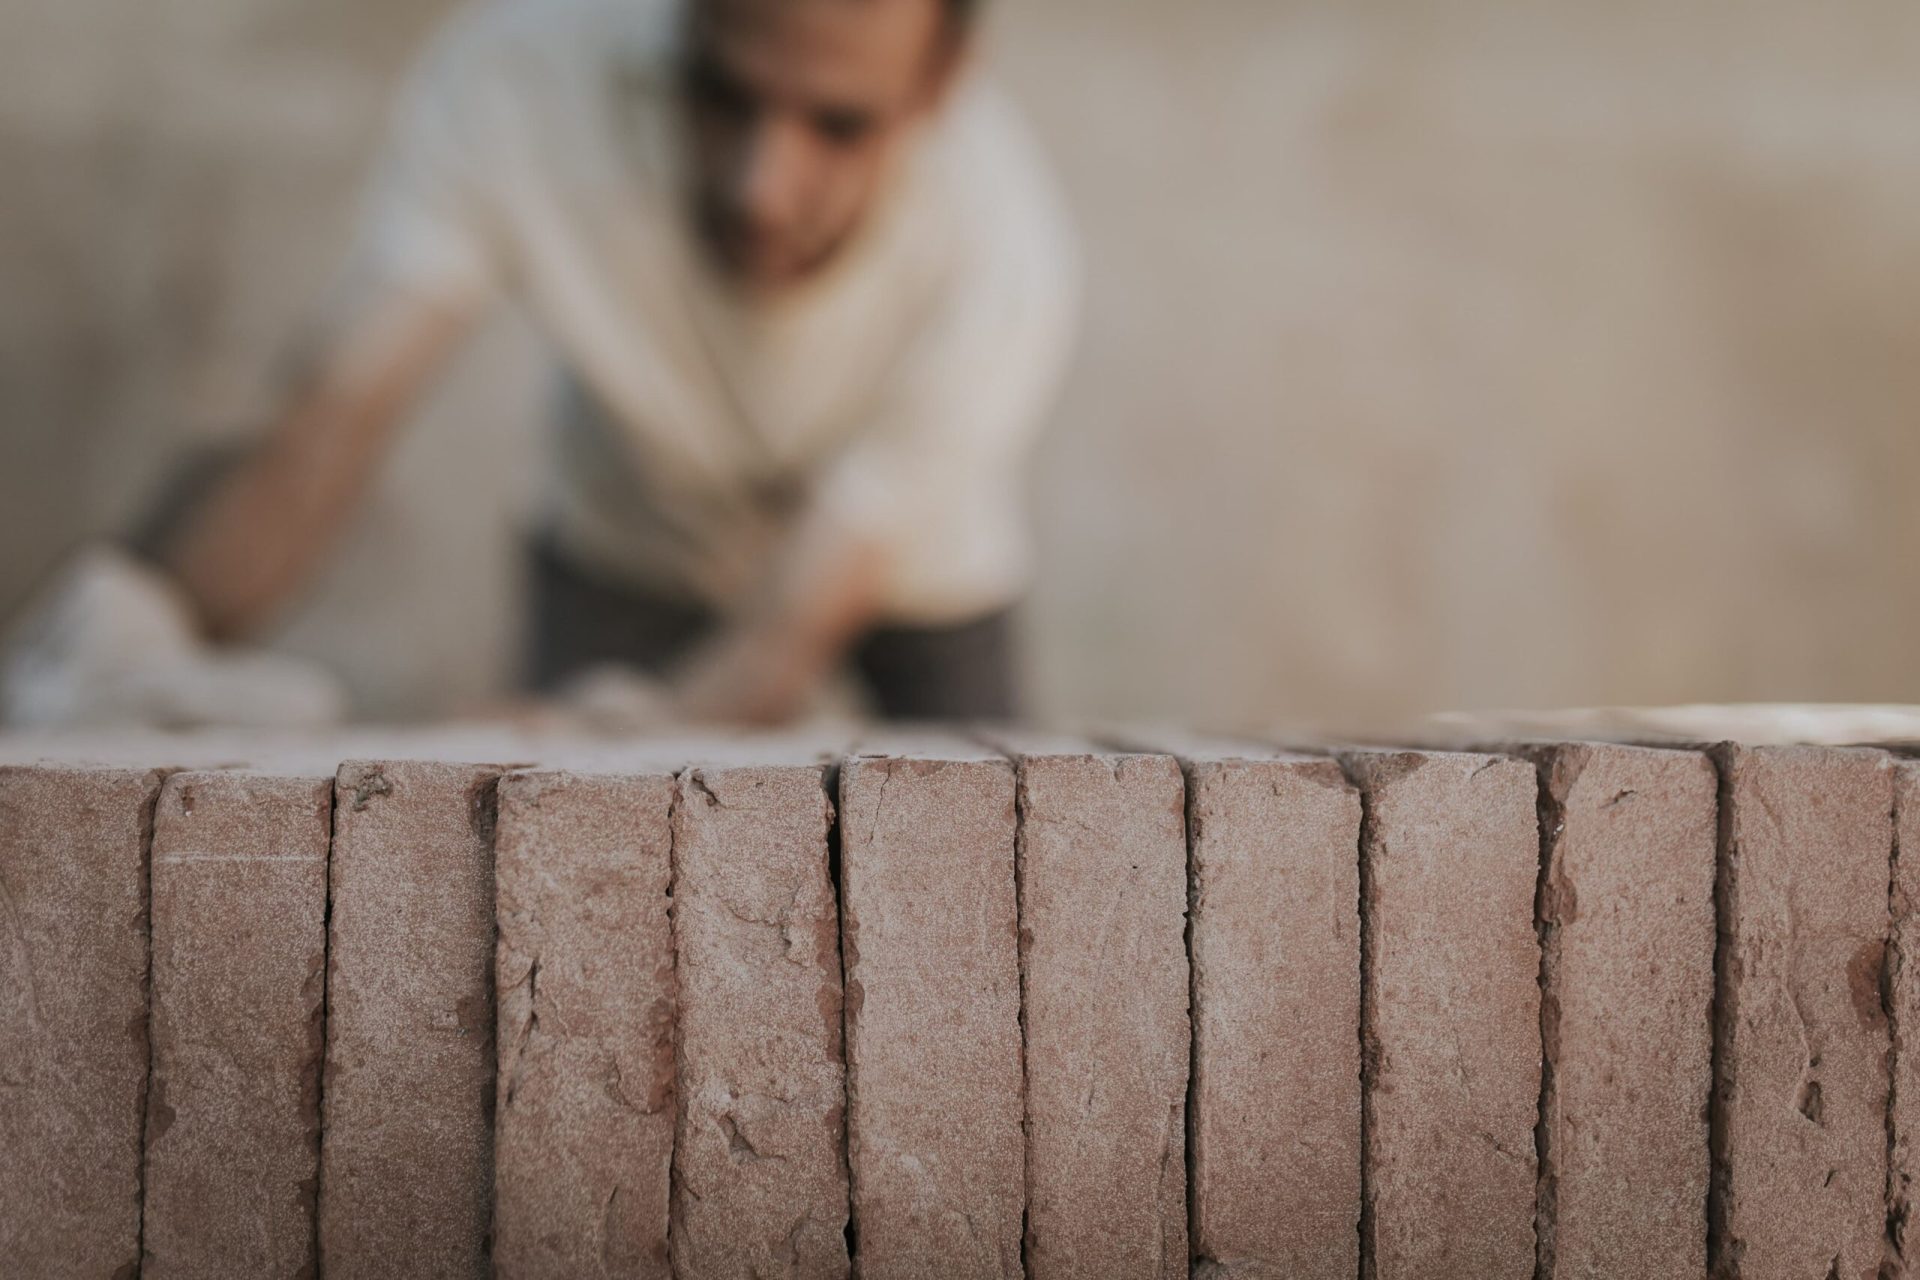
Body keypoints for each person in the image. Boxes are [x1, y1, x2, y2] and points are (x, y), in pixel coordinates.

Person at [3, 0, 1077, 728]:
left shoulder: (1007, 249)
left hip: (915, 573)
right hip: (625, 535)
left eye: (838, 126)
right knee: (553, 897)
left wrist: (547, 749)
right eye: (721, 94)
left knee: (998, 886)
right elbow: (328, 413)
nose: (762, 184)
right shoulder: (519, 76)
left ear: (939, 85)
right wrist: (135, 627)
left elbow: (781, 638)